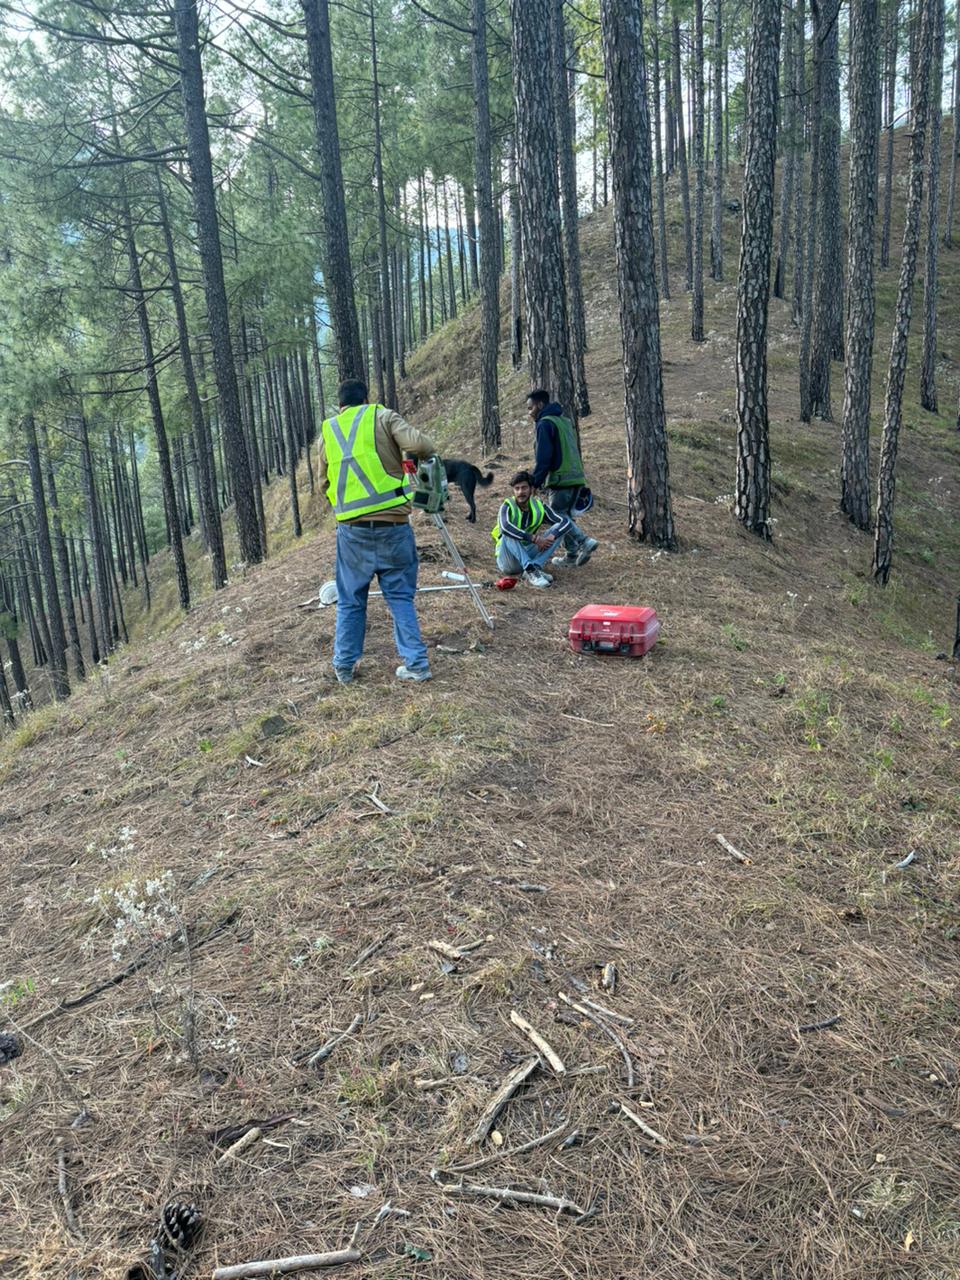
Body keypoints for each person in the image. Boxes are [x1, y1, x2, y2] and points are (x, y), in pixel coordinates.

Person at [318, 379, 437, 683]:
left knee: (350, 599)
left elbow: (323, 483)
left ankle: (344, 667)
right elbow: (423, 446)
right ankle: (417, 664)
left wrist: (343, 506)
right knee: (399, 597)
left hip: (351, 531)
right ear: (365, 399)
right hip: (393, 526)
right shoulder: (382, 416)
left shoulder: (329, 430)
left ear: (341, 405)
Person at [527, 388, 599, 567]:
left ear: (540, 405)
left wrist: (535, 482)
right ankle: (571, 555)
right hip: (577, 478)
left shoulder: (544, 423)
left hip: (560, 479)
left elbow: (544, 457)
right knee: (566, 517)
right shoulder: (564, 421)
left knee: (557, 517)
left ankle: (584, 541)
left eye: (530, 408)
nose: (529, 413)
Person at [492, 470, 572, 589]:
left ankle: (534, 567)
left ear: (531, 489)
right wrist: (534, 538)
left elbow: (565, 522)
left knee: (558, 529)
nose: (520, 492)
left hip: (527, 552)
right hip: (508, 560)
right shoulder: (507, 506)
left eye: (524, 488)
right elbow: (505, 528)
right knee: (508, 533)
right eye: (517, 488)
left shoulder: (539, 505)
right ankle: (530, 570)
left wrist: (553, 535)